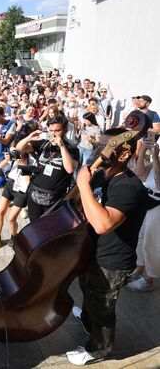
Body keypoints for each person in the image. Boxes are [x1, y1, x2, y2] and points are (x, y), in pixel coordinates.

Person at [66, 128, 148, 365]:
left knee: (103, 307)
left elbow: (103, 224)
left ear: (123, 155)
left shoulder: (130, 187)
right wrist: (84, 180)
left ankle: (98, 349)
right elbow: (75, 201)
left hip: (111, 261)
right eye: (98, 144)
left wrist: (84, 185)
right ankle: (88, 321)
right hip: (92, 250)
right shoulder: (103, 175)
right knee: (88, 292)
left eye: (104, 146)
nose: (97, 150)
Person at [15, 115, 79, 221]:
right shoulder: (44, 143)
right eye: (51, 130)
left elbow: (70, 169)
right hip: (35, 192)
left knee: (50, 229)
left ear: (65, 130)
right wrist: (29, 137)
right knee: (33, 226)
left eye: (57, 130)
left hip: (54, 197)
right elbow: (19, 148)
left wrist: (62, 146)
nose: (53, 133)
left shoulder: (72, 149)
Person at [129, 139, 160, 292]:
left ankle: (150, 278)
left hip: (158, 205)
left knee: (152, 242)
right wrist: (143, 152)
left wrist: (155, 159)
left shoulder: (157, 160)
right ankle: (139, 269)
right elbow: (139, 173)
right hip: (148, 200)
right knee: (140, 237)